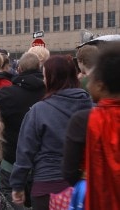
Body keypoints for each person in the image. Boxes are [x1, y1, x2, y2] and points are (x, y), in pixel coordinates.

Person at [10, 55, 93, 210]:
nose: (43, 80)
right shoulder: (90, 107)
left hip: (47, 186)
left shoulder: (39, 110)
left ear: (51, 79)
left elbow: (24, 152)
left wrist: (18, 185)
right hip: (85, 186)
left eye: (44, 76)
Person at [62, 42, 120, 210]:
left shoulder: (83, 120)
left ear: (101, 86)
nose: (87, 85)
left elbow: (69, 171)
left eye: (91, 79)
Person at [0, 52, 45, 209]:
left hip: (12, 159)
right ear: (39, 68)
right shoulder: (50, 92)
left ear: (19, 69)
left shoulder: (7, 94)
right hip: (43, 161)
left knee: (9, 196)